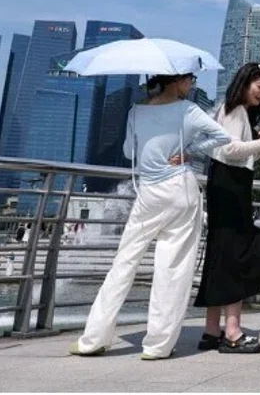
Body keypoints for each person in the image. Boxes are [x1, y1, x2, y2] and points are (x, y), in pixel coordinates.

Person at [72, 73, 232, 359]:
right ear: (176, 80)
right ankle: (158, 345)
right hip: (180, 190)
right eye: (190, 79)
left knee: (123, 262)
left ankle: (93, 339)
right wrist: (189, 151)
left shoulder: (136, 110)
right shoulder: (189, 110)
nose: (192, 85)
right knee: (173, 268)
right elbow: (222, 136)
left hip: (148, 192)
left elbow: (128, 150)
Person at [194, 63, 260, 353]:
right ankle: (233, 332)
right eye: (259, 87)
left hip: (225, 183)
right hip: (230, 188)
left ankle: (211, 330)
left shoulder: (231, 111)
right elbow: (231, 150)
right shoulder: (234, 110)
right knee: (238, 255)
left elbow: (242, 154)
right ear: (244, 84)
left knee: (221, 256)